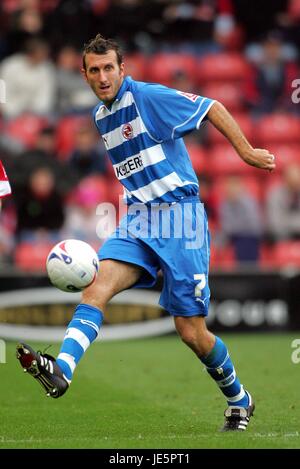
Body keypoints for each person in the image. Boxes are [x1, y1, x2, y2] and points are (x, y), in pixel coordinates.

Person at [16, 34, 276, 432]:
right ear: (84, 75)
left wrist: (245, 151)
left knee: (191, 332)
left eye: (109, 68)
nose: (103, 77)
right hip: (137, 219)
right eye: (94, 70)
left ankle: (239, 398)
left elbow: (211, 106)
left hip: (181, 221)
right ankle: (62, 370)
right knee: (96, 290)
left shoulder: (149, 98)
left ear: (123, 70)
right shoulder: (101, 118)